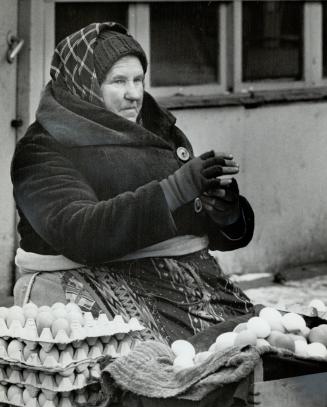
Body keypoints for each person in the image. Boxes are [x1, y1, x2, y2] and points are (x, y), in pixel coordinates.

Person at [11, 22, 255, 344]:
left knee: (258, 345)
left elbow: (188, 229)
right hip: (87, 287)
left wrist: (225, 214)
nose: (134, 94)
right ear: (84, 84)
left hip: (178, 285)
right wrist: (176, 189)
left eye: (138, 80)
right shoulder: (43, 148)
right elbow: (80, 232)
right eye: (118, 81)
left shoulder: (156, 129)